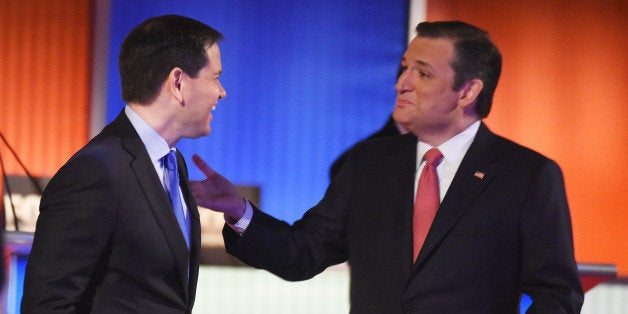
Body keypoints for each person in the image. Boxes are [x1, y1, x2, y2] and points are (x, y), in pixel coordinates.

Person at [191, 21, 584, 313]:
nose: (401, 83)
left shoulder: (527, 175)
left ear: (468, 91)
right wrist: (238, 211)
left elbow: (557, 293)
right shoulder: (368, 163)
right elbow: (304, 253)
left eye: (423, 73)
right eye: (404, 67)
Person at [21, 15, 226, 313]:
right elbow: (47, 304)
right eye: (214, 78)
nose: (221, 91)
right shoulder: (95, 172)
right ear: (178, 83)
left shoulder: (173, 163)